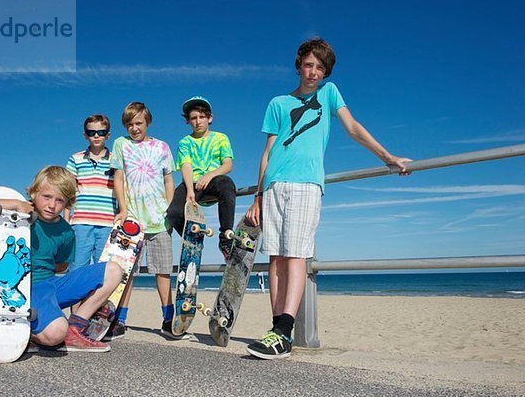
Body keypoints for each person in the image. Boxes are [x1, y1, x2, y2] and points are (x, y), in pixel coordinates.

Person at [245, 37, 410, 360]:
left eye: (320, 68)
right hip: (275, 184)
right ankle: (275, 328)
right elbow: (267, 154)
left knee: (296, 256)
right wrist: (258, 195)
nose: (313, 72)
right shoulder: (278, 103)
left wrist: (386, 156)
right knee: (275, 258)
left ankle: (285, 333)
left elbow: (352, 127)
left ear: (326, 72)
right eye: (309, 65)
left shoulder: (329, 94)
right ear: (299, 65)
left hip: (307, 184)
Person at [0, 166, 123, 353]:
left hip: (51, 285)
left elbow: (62, 266)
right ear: (34, 193)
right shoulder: (14, 217)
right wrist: (16, 205)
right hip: (25, 288)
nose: (52, 205)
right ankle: (31, 331)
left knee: (114, 270)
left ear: (68, 202)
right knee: (55, 333)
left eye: (60, 200)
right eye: (47, 197)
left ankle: (75, 329)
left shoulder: (66, 231)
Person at [109, 102, 187, 340]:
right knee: (126, 273)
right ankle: (119, 320)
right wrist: (122, 209)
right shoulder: (120, 145)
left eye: (138, 123)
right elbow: (119, 178)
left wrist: (171, 210)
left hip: (159, 221)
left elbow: (168, 180)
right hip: (132, 220)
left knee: (163, 271)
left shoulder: (162, 147)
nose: (134, 128)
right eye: (130, 124)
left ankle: (167, 319)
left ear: (148, 122)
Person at [166, 96, 236, 260]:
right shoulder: (185, 142)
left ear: (209, 118)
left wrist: (209, 176)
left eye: (202, 117)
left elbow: (227, 165)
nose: (198, 121)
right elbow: (186, 166)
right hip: (192, 183)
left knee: (227, 184)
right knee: (173, 211)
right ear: (188, 121)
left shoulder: (220, 138)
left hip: (214, 181)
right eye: (193, 118)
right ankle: (194, 237)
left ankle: (225, 237)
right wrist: (190, 190)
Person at [65, 114, 117, 274]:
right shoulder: (76, 159)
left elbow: (123, 190)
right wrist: (66, 219)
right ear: (85, 135)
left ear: (108, 135)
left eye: (101, 132)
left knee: (103, 270)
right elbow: (68, 190)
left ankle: (98, 300)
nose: (96, 136)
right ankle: (74, 300)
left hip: (108, 223)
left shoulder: (116, 160)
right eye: (91, 132)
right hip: (80, 222)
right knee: (77, 267)